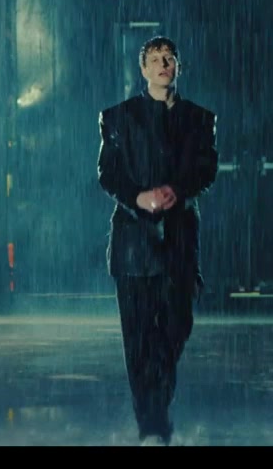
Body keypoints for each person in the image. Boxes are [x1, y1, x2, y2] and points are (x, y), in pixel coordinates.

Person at [96, 35, 219, 446]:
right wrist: (138, 197)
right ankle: (151, 422)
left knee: (175, 326)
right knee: (138, 339)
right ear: (143, 69)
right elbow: (108, 173)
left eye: (169, 58)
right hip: (134, 243)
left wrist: (177, 191)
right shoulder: (119, 117)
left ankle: (155, 409)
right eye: (155, 59)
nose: (163, 64)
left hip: (179, 241)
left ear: (178, 66)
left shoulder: (199, 119)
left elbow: (206, 169)